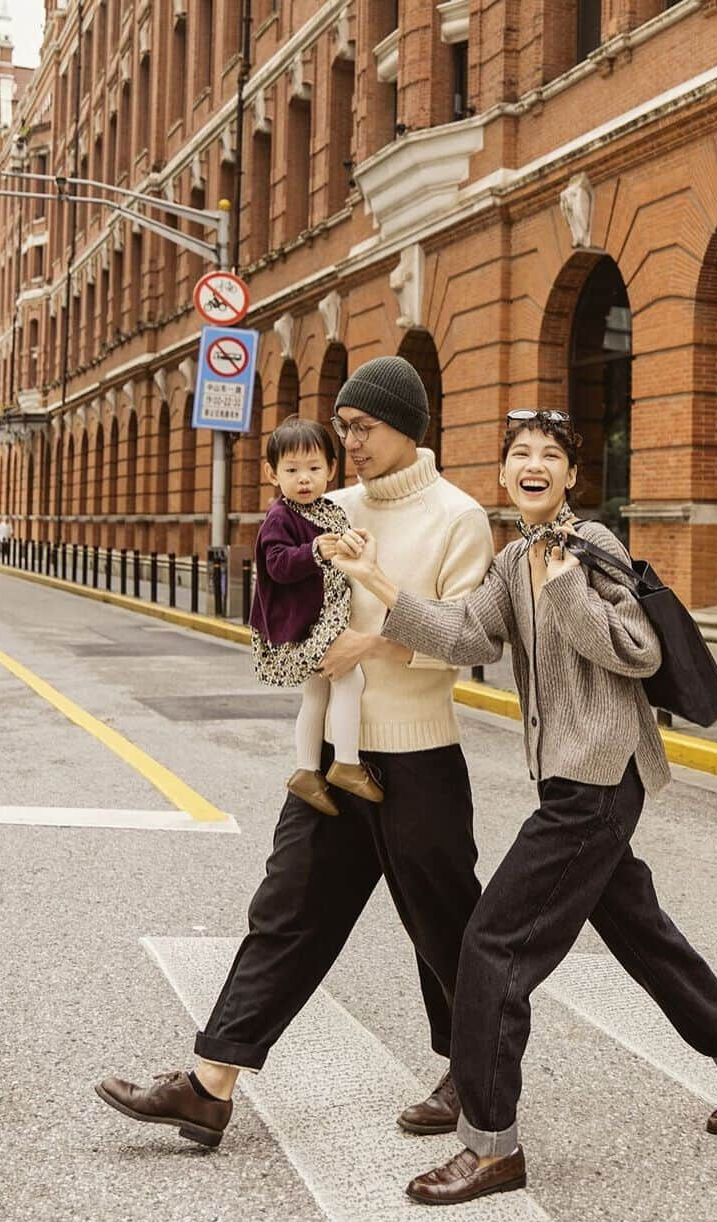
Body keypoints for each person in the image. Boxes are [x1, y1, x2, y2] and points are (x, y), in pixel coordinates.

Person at [335, 409, 717, 1206]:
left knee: (493, 944)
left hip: (599, 781)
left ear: (572, 476)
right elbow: (467, 635)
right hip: (569, 780)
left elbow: (637, 649)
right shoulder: (515, 560)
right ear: (505, 476)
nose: (534, 464)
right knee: (639, 929)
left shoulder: (592, 549)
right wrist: (378, 582)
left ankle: (490, 1147)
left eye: (550, 455)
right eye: (520, 454)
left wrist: (569, 587)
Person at [95, 356, 496, 1146]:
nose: (347, 443)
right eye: (342, 427)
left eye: (363, 428)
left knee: (442, 922)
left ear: (407, 426)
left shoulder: (460, 516)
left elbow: (463, 640)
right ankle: (211, 1082)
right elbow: (284, 583)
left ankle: (472, 1075)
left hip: (417, 756)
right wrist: (294, 645)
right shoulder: (329, 505)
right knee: (286, 910)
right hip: (329, 759)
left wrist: (369, 646)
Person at [251, 416, 383, 815]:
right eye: (292, 470)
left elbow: (336, 551)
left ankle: (307, 770)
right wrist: (314, 552)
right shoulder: (281, 516)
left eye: (313, 469)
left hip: (323, 616)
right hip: (304, 624)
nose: (304, 479)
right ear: (272, 473)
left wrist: (350, 543)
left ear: (331, 469)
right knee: (350, 677)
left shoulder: (328, 509)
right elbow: (276, 565)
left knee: (317, 692)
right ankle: (345, 762)